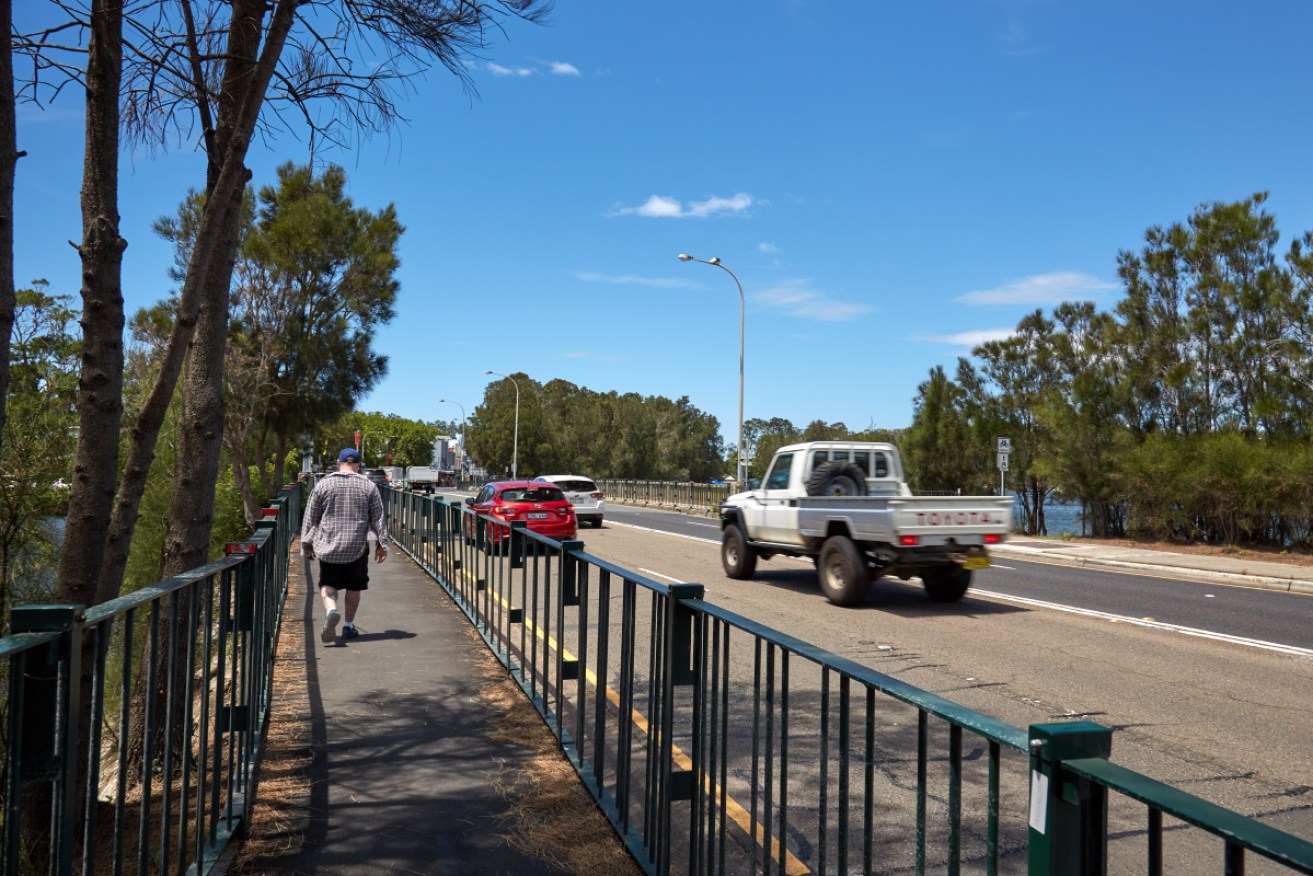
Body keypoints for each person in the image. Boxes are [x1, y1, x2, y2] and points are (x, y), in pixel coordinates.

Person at [301, 447, 389, 643]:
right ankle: (348, 626)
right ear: (357, 465)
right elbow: (378, 518)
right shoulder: (369, 486)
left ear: (339, 463)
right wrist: (382, 544)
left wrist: (306, 546)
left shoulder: (323, 485)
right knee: (354, 586)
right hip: (357, 546)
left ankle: (331, 610)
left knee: (327, 584)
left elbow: (311, 518)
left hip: (328, 545)